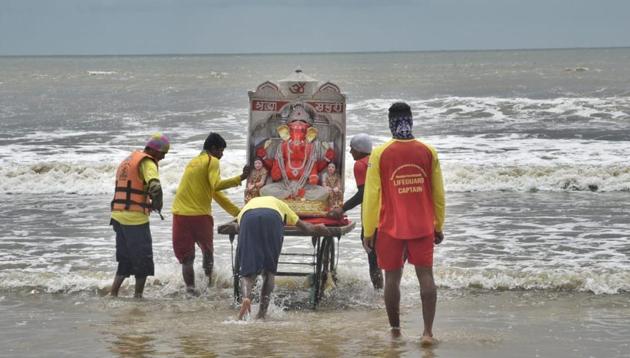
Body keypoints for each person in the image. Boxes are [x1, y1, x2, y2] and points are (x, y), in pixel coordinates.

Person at [362, 102, 445, 345]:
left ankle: (396, 330)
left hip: (390, 226)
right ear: (411, 120)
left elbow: (372, 195)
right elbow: (438, 193)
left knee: (391, 279)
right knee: (426, 276)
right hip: (422, 225)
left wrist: (369, 230)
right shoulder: (428, 151)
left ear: (390, 122)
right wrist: (438, 224)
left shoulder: (380, 153)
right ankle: (428, 332)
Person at [171, 132, 250, 294]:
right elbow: (217, 185)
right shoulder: (211, 161)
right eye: (221, 151)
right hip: (200, 216)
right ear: (213, 149)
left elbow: (213, 192)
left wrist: (237, 212)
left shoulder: (192, 163)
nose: (221, 155)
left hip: (179, 215)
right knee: (207, 252)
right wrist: (241, 177)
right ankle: (209, 285)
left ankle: (190, 291)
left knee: (187, 259)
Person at [235, 196, 332, 320]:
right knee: (269, 272)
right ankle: (261, 314)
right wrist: (316, 229)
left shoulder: (248, 206)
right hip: (272, 218)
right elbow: (305, 227)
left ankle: (246, 298)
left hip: (248, 219)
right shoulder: (280, 204)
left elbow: (239, 227)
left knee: (247, 274)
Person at [109, 133, 170, 298]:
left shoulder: (127, 160)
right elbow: (155, 187)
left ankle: (113, 293)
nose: (163, 157)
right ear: (154, 150)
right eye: (163, 153)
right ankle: (138, 296)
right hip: (134, 218)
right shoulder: (147, 162)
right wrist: (157, 205)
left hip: (117, 216)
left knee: (125, 259)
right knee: (143, 260)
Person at [327, 133, 383, 289]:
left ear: (359, 150)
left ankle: (379, 292)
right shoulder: (376, 160)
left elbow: (363, 194)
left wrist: (342, 208)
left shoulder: (360, 164)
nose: (351, 152)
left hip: (372, 214)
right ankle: (386, 289)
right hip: (387, 212)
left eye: (352, 149)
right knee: (382, 254)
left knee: (372, 255)